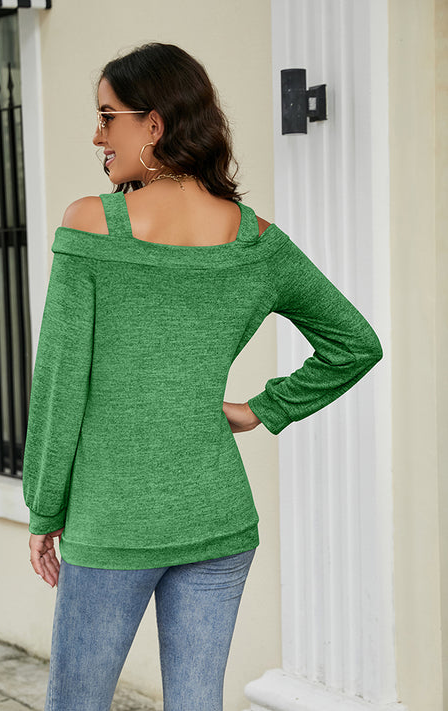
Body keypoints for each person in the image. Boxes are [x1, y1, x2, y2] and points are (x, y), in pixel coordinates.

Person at [22, 42, 383, 711]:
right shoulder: (257, 241)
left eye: (107, 117)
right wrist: (261, 409)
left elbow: (59, 384)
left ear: (153, 124)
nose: (97, 135)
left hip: (114, 521)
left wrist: (44, 507)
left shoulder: (91, 226)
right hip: (219, 517)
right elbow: (354, 344)